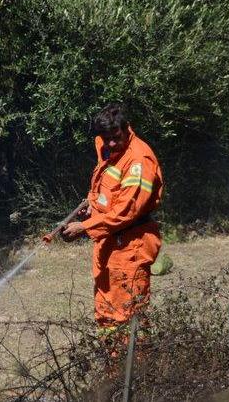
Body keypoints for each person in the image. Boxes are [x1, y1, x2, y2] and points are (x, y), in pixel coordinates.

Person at [61, 104, 163, 330]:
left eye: (116, 138)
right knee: (107, 314)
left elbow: (126, 211)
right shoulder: (109, 150)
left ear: (127, 128)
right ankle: (111, 364)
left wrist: (85, 227)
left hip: (130, 248)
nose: (111, 144)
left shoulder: (139, 160)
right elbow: (108, 193)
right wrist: (92, 207)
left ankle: (132, 366)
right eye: (106, 139)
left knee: (127, 318)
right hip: (110, 245)